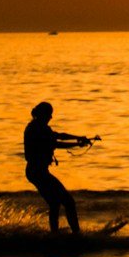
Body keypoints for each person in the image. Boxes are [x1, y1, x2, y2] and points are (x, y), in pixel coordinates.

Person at [23, 101, 94, 239]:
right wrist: (77, 144)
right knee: (69, 202)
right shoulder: (37, 129)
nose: (51, 117)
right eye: (49, 114)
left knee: (55, 203)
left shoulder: (39, 127)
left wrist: (78, 138)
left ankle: (54, 235)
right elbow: (55, 143)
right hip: (37, 172)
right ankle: (76, 236)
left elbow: (58, 135)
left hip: (36, 172)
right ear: (44, 114)